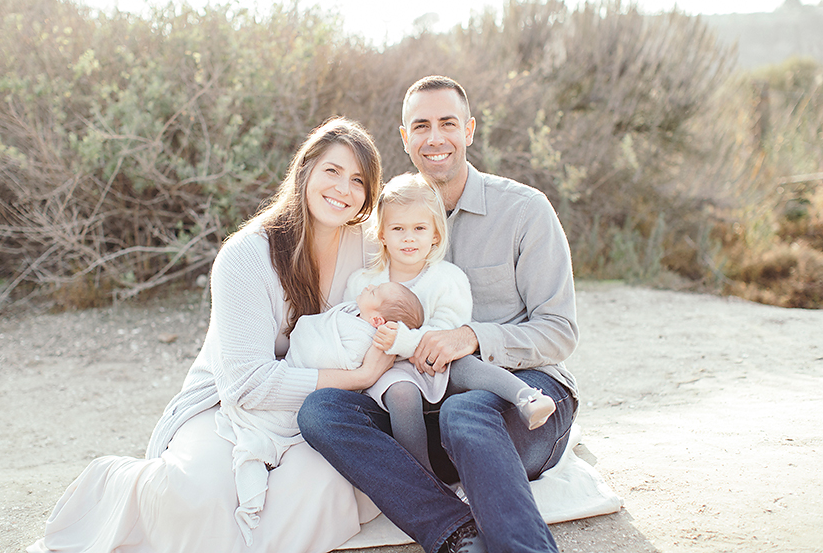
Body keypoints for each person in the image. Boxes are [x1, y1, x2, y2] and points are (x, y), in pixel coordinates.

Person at [28, 117, 394, 553]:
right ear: (305, 171)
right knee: (199, 498)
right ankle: (118, 485)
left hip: (313, 411)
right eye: (332, 171)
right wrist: (359, 375)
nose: (343, 188)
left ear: (368, 196)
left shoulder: (372, 251)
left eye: (358, 180)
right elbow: (246, 383)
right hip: (224, 405)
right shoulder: (246, 256)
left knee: (317, 491)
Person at [299, 76, 579, 553]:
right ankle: (458, 536)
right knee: (321, 410)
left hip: (510, 401)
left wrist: (471, 337)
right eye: (421, 126)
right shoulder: (383, 221)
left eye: (447, 123)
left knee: (463, 410)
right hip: (417, 417)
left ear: (468, 130)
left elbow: (560, 331)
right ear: (405, 138)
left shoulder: (525, 211)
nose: (435, 137)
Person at [343, 172, 557, 474]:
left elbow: (447, 331)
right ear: (381, 234)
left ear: (435, 235)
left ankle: (527, 398)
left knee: (467, 365)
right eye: (398, 228)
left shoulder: (447, 278)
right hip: (389, 369)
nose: (408, 237)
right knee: (402, 394)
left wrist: (406, 341)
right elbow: (349, 328)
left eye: (419, 228)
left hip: (438, 362)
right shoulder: (363, 283)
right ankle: (422, 478)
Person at [218, 280, 423, 542]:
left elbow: (335, 358)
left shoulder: (364, 339)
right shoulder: (349, 312)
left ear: (377, 321)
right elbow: (311, 326)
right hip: (289, 373)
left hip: (305, 392)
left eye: (374, 292)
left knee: (267, 431)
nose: (368, 285)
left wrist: (368, 366)